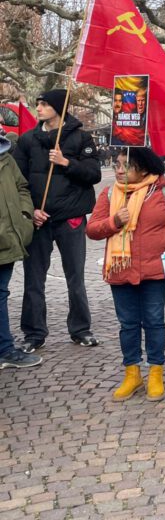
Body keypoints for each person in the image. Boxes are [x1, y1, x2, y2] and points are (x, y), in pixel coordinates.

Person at [87, 148, 165, 401]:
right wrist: (114, 221)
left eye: (126, 165)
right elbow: (92, 229)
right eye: (117, 165)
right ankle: (132, 373)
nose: (119, 170)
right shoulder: (110, 193)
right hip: (120, 270)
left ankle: (156, 371)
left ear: (145, 168)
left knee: (154, 321)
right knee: (128, 324)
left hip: (155, 271)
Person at [15, 89, 102, 352]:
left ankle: (80, 329)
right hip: (39, 221)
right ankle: (33, 333)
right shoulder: (27, 140)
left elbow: (94, 174)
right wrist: (31, 210)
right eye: (37, 104)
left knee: (75, 277)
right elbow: (19, 181)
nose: (38, 108)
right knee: (33, 278)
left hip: (71, 219)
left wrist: (66, 162)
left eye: (44, 104)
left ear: (58, 108)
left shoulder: (82, 137)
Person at [0, 132, 40, 369]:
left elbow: (22, 187)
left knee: (1, 293)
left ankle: (5, 349)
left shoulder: (7, 158)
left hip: (9, 238)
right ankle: (5, 349)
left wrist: (24, 215)